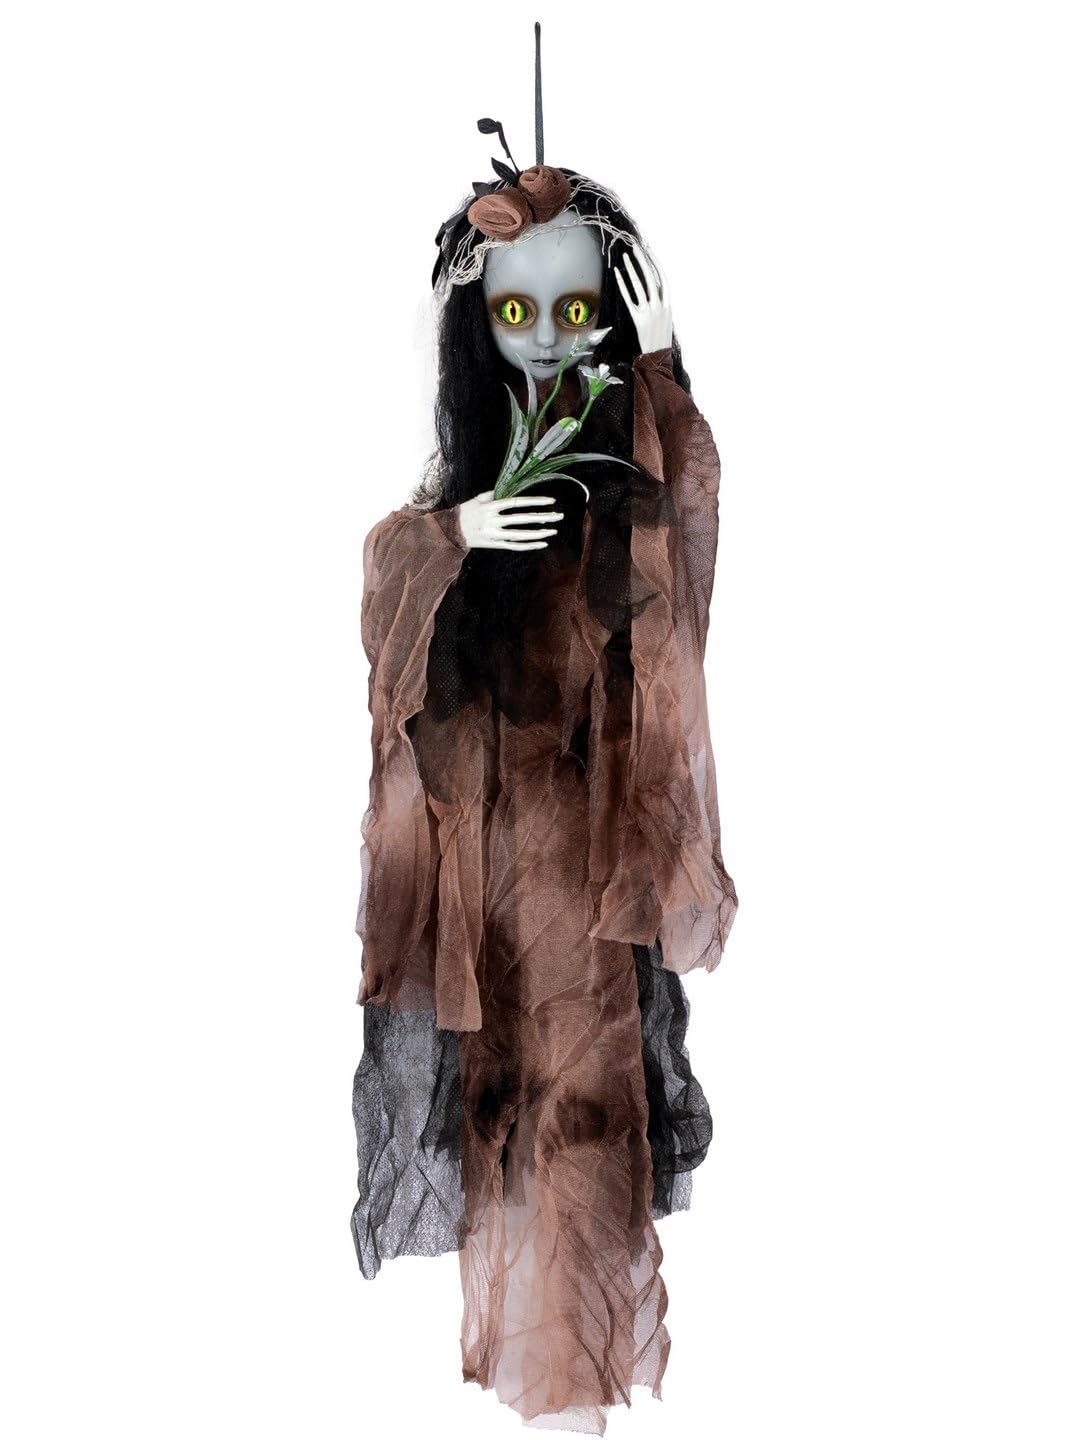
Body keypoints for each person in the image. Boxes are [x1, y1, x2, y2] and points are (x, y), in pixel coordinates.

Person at [351, 115, 738, 1435]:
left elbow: (684, 551)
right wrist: (456, 531)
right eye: (518, 311)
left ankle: (570, 1399)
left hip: (587, 859)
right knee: (508, 1118)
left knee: (580, 1118)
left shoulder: (623, 470)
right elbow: (388, 602)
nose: (550, 338)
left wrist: (665, 369)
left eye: (581, 310)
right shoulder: (463, 480)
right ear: (481, 323)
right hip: (486, 864)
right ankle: (554, 1399)